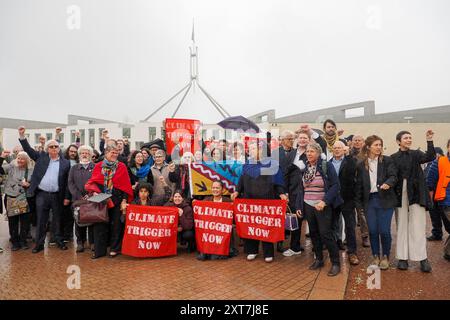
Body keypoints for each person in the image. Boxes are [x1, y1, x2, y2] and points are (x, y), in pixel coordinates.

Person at [231, 141, 287, 263]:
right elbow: (241, 180)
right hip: (249, 200)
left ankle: (268, 252)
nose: (250, 151)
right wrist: (236, 191)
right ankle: (252, 250)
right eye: (250, 149)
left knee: (265, 225)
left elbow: (278, 181)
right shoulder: (247, 165)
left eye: (254, 148)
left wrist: (281, 193)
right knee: (251, 225)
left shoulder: (272, 164)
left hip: (267, 199)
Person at [18, 126, 71, 253]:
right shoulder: (41, 157)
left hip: (57, 195)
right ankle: (39, 244)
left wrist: (67, 197)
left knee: (57, 220)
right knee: (41, 219)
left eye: (56, 146)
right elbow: (28, 150)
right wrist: (22, 136)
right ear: (47, 149)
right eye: (51, 146)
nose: (53, 148)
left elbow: (68, 182)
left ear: (59, 149)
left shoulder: (66, 163)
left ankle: (58, 240)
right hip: (42, 194)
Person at [293, 142, 342, 276]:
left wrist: (324, 201)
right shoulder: (305, 167)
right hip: (308, 205)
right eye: (307, 151)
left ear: (319, 153)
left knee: (326, 234)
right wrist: (299, 206)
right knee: (313, 233)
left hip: (322, 205)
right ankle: (319, 259)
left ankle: (336, 263)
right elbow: (301, 189)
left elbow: (336, 186)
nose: (309, 154)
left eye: (312, 151)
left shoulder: (326, 166)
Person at [391, 130, 435, 272]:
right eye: (406, 138)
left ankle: (422, 258)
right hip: (400, 194)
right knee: (402, 225)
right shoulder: (393, 157)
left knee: (418, 225)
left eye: (410, 137)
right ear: (399, 141)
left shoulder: (416, 154)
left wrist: (429, 140)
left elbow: (430, 156)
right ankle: (402, 258)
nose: (409, 140)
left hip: (416, 193)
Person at [85, 140, 134, 259]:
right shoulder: (98, 166)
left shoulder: (121, 166)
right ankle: (99, 250)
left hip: (117, 199)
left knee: (116, 225)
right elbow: (93, 182)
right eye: (112, 152)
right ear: (106, 153)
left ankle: (115, 248)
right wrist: (95, 191)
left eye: (117, 153)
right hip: (102, 199)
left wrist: (124, 200)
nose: (115, 155)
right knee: (100, 225)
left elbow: (125, 185)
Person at [355, 135, 398, 270]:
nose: (379, 147)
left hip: (385, 200)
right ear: (368, 147)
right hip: (370, 201)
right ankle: (375, 256)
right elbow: (359, 186)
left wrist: (388, 183)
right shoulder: (361, 164)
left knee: (384, 231)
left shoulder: (387, 161)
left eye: (380, 145)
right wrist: (359, 205)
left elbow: (393, 176)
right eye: (376, 145)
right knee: (373, 230)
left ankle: (385, 256)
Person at [330, 141, 360, 265]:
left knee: (350, 226)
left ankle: (352, 252)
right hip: (333, 199)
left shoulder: (350, 161)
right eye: (335, 148)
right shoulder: (328, 163)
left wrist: (348, 155)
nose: (337, 150)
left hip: (347, 199)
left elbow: (354, 169)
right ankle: (337, 245)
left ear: (344, 150)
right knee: (333, 224)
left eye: (339, 148)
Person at [283, 129, 311, 256]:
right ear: (297, 140)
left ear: (309, 140)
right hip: (294, 191)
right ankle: (295, 247)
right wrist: (285, 191)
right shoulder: (291, 154)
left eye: (305, 138)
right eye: (300, 138)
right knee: (296, 219)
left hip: (309, 191)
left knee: (312, 220)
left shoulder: (312, 152)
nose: (302, 140)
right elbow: (286, 173)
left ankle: (317, 248)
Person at [1, 150, 34, 251]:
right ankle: (15, 242)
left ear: (27, 160)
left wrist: (29, 185)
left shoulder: (31, 169)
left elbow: (36, 183)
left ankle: (23, 241)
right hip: (11, 197)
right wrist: (2, 158)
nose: (20, 160)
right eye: (18, 158)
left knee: (25, 222)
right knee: (13, 221)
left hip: (25, 198)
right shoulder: (11, 167)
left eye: (22, 158)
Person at [198, 180, 237, 261]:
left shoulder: (228, 202)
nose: (215, 190)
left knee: (214, 257)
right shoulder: (206, 200)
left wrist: (232, 223)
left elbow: (234, 217)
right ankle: (205, 252)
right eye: (213, 188)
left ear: (222, 190)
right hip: (210, 232)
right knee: (204, 256)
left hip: (222, 232)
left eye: (217, 188)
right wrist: (195, 203)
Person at [68, 145, 95, 253]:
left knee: (92, 220)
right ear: (79, 155)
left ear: (90, 155)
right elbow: (70, 183)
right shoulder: (74, 168)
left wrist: (90, 194)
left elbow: (98, 181)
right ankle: (80, 242)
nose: (85, 155)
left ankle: (92, 242)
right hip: (78, 199)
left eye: (87, 153)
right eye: (83, 153)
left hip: (92, 198)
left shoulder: (95, 167)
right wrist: (78, 195)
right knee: (79, 220)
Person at [426, 139, 450, 261]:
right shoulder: (439, 162)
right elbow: (430, 181)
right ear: (448, 147)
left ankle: (448, 252)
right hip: (446, 201)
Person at [425, 147, 449, 241]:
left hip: (440, 194)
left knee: (444, 217)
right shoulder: (433, 163)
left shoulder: (440, 162)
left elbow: (430, 179)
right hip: (434, 194)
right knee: (434, 215)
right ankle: (437, 233)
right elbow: (428, 179)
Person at [61, 144, 79, 243]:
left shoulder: (78, 162)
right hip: (66, 190)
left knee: (74, 214)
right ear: (68, 151)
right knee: (66, 214)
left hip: (76, 192)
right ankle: (65, 234)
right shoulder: (63, 161)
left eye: (75, 152)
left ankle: (70, 234)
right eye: (71, 151)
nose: (73, 153)